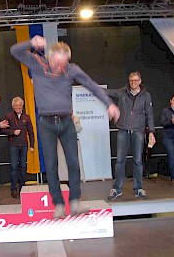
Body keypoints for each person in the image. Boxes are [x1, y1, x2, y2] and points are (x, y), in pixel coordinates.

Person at [10, 36, 120, 219]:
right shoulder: (37, 64)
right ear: (49, 58)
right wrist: (31, 43)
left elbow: (92, 85)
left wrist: (109, 104)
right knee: (51, 165)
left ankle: (75, 202)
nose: (61, 67)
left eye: (64, 63)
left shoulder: (72, 69)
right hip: (46, 123)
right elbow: (14, 51)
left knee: (73, 163)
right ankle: (59, 204)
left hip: (66, 122)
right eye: (57, 63)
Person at [107, 71, 155, 201]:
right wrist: (93, 87)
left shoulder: (146, 96)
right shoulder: (122, 92)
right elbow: (108, 92)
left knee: (138, 161)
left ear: (140, 81)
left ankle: (138, 188)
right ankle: (117, 189)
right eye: (131, 80)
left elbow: (149, 114)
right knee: (119, 161)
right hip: (123, 130)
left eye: (135, 80)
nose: (133, 82)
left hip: (138, 131)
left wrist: (151, 132)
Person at [2, 96, 35, 198]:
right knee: (13, 168)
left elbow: (31, 132)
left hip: (24, 145)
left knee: (23, 167)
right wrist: (13, 132)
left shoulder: (27, 117)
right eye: (16, 105)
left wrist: (32, 145)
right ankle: (13, 189)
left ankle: (22, 188)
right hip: (13, 145)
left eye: (20, 105)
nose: (18, 107)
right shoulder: (8, 116)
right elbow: (3, 130)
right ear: (13, 106)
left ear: (22, 106)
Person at [58, 113, 85, 182]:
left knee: (74, 161)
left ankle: (75, 179)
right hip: (62, 143)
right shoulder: (59, 119)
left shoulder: (75, 118)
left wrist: (74, 122)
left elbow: (78, 129)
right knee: (63, 163)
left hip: (73, 141)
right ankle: (64, 179)